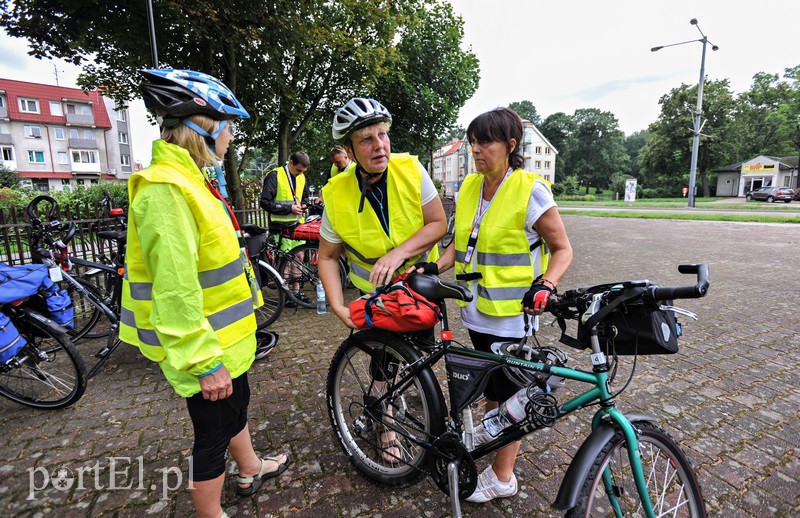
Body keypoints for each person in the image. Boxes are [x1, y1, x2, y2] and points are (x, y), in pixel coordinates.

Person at [122, 68, 289, 518]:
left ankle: (251, 467)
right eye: (228, 127)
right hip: (207, 351)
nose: (232, 137)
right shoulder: (166, 190)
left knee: (237, 412)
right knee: (211, 437)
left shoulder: (194, 181)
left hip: (229, 341)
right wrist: (203, 361)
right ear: (203, 127)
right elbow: (174, 289)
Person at [427, 107, 573, 503]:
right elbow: (461, 243)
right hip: (476, 310)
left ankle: (503, 476)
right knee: (493, 390)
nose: (476, 149)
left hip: (512, 318)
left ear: (510, 146)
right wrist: (433, 267)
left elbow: (562, 249)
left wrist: (546, 284)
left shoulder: (531, 189)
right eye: (472, 141)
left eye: (485, 142)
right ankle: (493, 460)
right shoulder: (470, 186)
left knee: (510, 399)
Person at [317, 98, 446, 463]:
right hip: (376, 294)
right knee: (383, 359)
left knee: (419, 353)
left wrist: (398, 253)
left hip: (419, 287)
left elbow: (438, 224)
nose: (379, 146)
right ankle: (386, 422)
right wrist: (338, 305)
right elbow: (326, 256)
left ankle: (404, 387)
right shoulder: (335, 193)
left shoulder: (411, 170)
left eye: (383, 135)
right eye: (367, 140)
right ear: (349, 150)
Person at [259, 152, 311, 305]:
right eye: (299, 170)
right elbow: (265, 202)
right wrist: (289, 208)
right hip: (279, 226)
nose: (300, 173)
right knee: (284, 260)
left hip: (297, 224)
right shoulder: (274, 175)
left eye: (303, 171)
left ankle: (296, 292)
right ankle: (286, 293)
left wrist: (304, 205)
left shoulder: (301, 177)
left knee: (299, 257)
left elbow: (306, 197)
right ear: (291, 163)